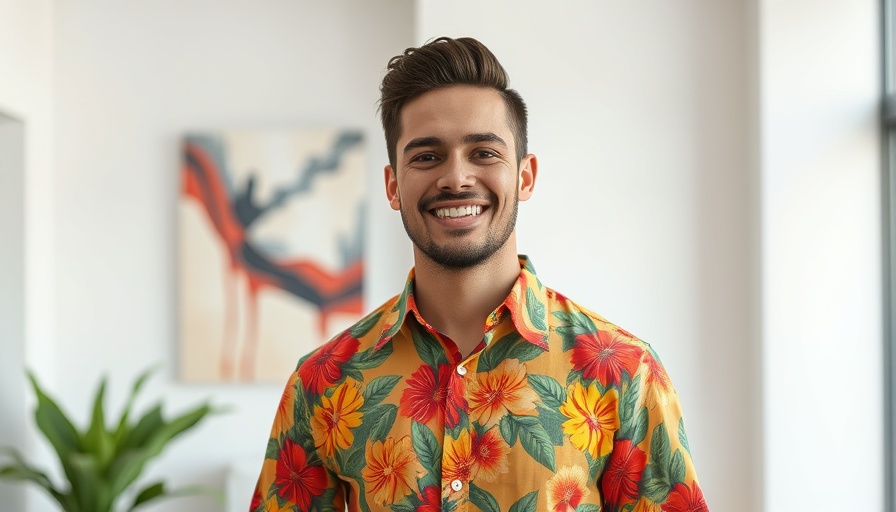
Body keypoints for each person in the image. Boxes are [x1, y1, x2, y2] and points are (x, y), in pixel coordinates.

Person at [249, 36, 708, 512]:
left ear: (525, 176)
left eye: (484, 153)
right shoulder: (323, 381)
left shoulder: (625, 371)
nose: (456, 178)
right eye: (427, 156)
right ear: (392, 186)